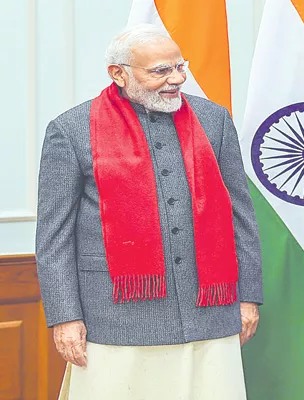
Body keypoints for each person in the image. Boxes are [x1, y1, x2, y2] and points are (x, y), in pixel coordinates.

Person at [36, 24, 262, 399]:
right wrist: (65, 318)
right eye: (159, 71)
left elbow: (242, 214)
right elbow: (53, 237)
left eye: (179, 66)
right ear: (118, 73)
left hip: (209, 311)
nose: (176, 79)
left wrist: (249, 296)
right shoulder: (71, 129)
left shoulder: (213, 119)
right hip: (114, 318)